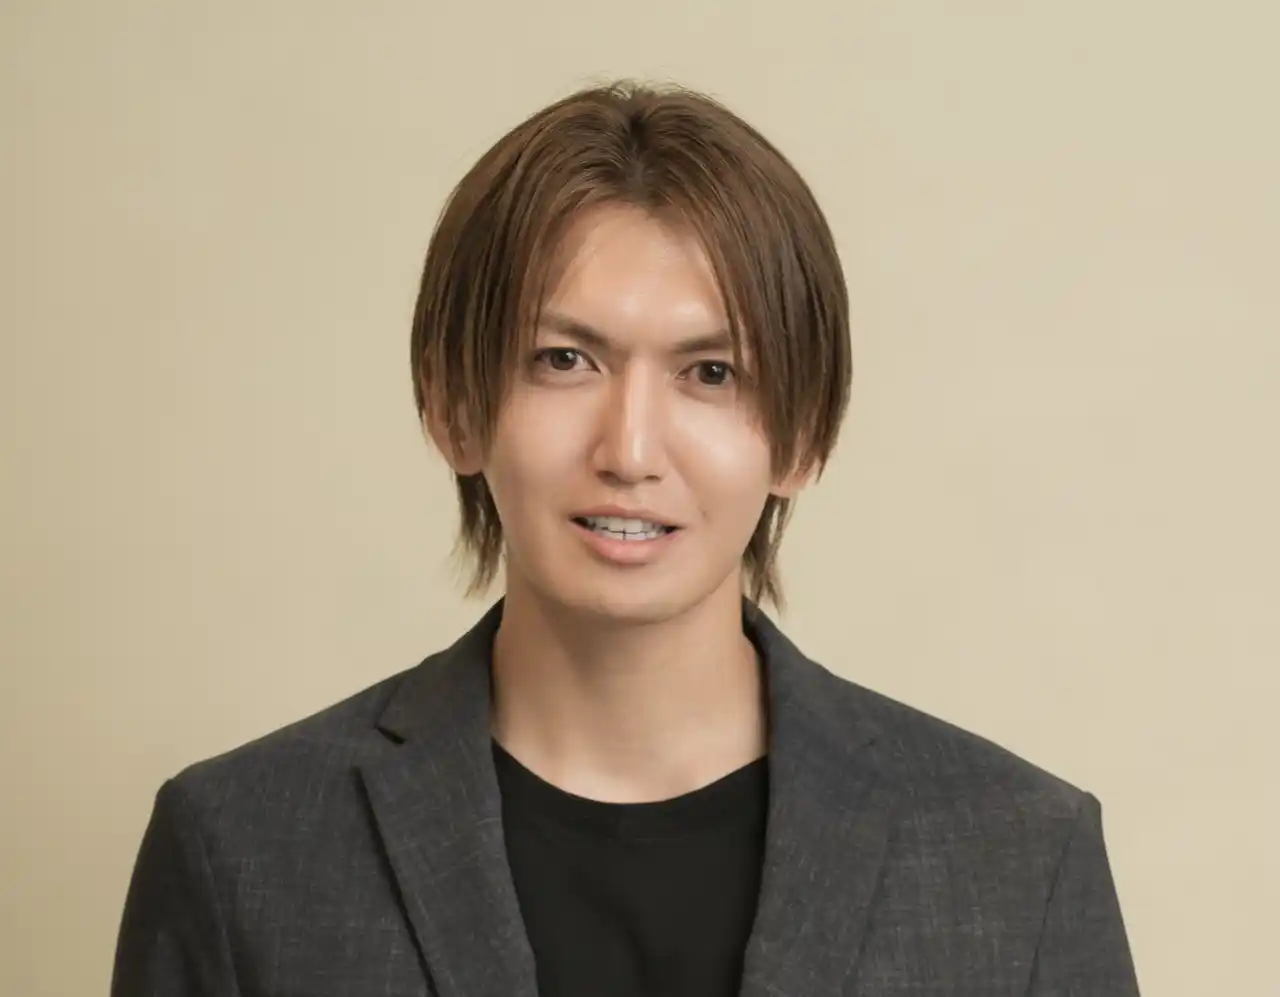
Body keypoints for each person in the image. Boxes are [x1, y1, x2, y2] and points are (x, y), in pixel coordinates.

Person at [110, 80, 1140, 997]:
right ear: (450, 403)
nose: (630, 449)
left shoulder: (1015, 855)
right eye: (564, 359)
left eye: (711, 373)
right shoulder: (243, 845)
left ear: (803, 437)